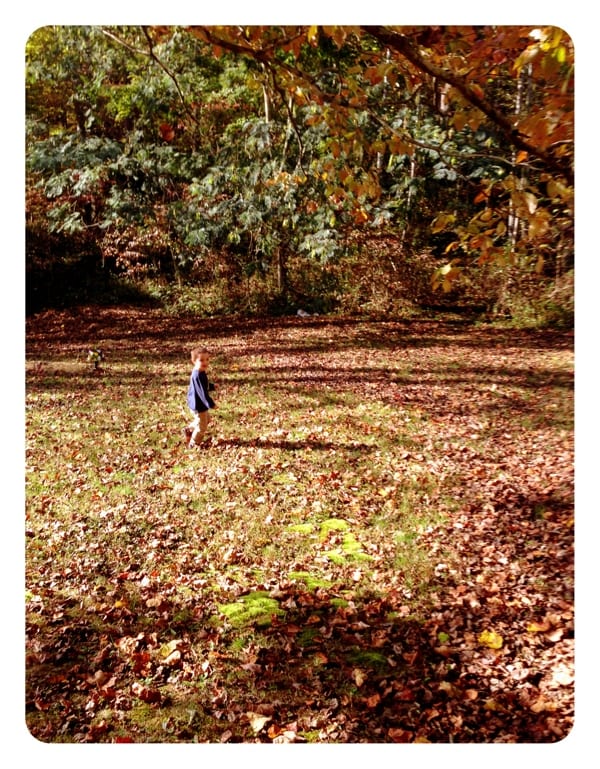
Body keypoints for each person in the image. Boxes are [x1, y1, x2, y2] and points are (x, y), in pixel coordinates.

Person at [185, 347, 216, 447]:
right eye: (201, 360)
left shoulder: (200, 372)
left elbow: (203, 385)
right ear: (194, 361)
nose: (205, 362)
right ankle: (194, 444)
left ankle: (188, 430)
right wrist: (211, 404)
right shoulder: (197, 375)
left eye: (207, 359)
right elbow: (202, 392)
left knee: (206, 420)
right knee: (202, 427)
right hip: (199, 405)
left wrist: (211, 386)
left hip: (196, 402)